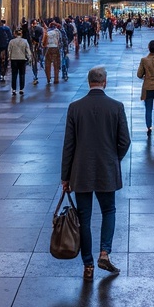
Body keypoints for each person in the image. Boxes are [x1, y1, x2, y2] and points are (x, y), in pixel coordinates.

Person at [60, 66, 132, 281]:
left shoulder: (75, 107)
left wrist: (65, 176)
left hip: (81, 171)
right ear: (105, 82)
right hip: (106, 169)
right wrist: (114, 158)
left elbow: (68, 146)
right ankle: (104, 252)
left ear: (88, 81)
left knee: (84, 217)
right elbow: (124, 141)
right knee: (109, 210)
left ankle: (88, 265)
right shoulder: (116, 107)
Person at [8, 28, 32, 98]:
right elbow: (28, 50)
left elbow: (9, 50)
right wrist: (29, 58)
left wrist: (9, 57)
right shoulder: (25, 41)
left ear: (15, 34)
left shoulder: (11, 41)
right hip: (22, 59)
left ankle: (14, 89)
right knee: (22, 74)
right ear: (21, 34)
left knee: (14, 74)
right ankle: (21, 89)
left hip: (14, 59)